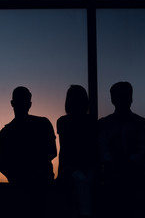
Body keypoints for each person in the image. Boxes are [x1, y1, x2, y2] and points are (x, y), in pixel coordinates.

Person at [0, 86, 57, 217]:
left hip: (30, 182)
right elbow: (52, 152)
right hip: (37, 181)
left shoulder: (6, 132)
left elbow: (3, 162)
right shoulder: (43, 123)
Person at [98, 82, 145, 218]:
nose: (124, 100)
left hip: (134, 177)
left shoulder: (141, 123)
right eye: (120, 96)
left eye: (126, 96)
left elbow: (144, 149)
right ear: (113, 99)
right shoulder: (104, 123)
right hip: (114, 177)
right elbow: (102, 149)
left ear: (131, 98)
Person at [56, 85, 98, 218]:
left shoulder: (63, 121)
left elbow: (65, 149)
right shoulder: (90, 121)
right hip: (76, 168)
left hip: (76, 167)